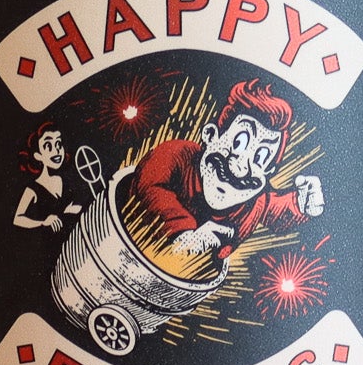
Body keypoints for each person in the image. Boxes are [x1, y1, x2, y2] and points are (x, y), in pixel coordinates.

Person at [131, 79, 323, 258]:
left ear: (268, 173)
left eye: (260, 158)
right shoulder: (178, 155)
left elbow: (275, 209)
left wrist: (301, 204)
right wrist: (184, 231)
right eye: (238, 143)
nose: (241, 168)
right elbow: (148, 184)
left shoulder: (254, 203)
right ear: (210, 135)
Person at [13, 123, 83, 232]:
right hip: (51, 244)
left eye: (58, 144)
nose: (56, 151)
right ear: (38, 156)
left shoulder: (66, 180)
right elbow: (17, 218)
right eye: (48, 146)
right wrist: (43, 222)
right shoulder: (33, 189)